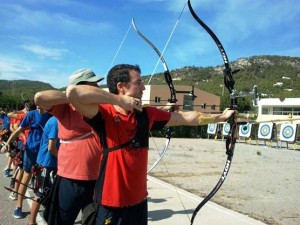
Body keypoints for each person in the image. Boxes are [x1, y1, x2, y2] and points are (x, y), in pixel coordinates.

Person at [66, 64, 236, 225]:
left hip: (139, 202)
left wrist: (220, 117)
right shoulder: (103, 113)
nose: (143, 88)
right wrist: (119, 101)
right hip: (110, 201)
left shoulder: (146, 114)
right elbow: (73, 92)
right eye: (138, 83)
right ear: (121, 86)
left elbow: (187, 117)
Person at [34, 68, 104, 225]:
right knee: (61, 221)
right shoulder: (65, 107)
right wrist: (74, 96)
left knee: (93, 219)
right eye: (93, 84)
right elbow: (40, 98)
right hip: (71, 178)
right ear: (80, 87)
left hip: (98, 177)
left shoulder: (99, 105)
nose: (98, 88)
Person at [1, 106, 51, 219]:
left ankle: (43, 206)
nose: (40, 106)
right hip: (30, 150)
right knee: (26, 176)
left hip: (45, 151)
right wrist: (8, 142)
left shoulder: (51, 114)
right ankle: (18, 206)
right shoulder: (31, 114)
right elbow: (19, 129)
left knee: (42, 180)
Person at [28, 116, 59, 225]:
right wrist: (64, 159)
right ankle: (31, 222)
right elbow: (51, 147)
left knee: (49, 193)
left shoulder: (56, 120)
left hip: (51, 163)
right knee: (40, 193)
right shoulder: (55, 121)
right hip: (47, 163)